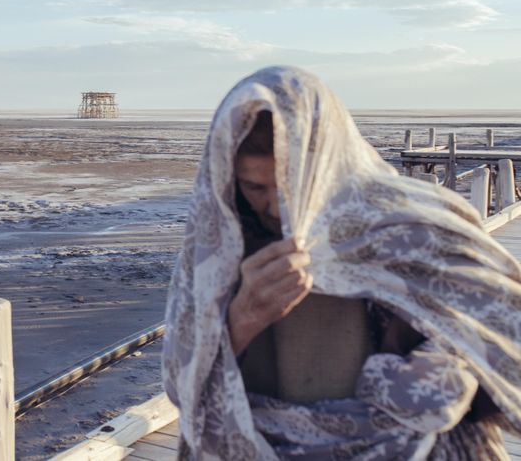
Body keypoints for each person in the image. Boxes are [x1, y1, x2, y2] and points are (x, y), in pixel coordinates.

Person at [162, 66, 521, 459]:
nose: (275, 208)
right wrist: (242, 319)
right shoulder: (216, 252)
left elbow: (504, 348)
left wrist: (417, 349)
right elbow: (183, 388)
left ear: (326, 164)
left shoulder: (414, 227)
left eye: (290, 185)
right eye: (254, 187)